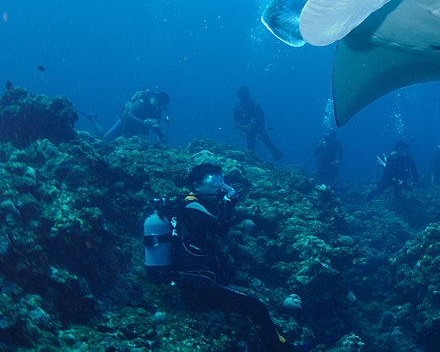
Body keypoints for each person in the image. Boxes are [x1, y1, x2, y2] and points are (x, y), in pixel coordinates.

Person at [174, 163, 299, 351]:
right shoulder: (192, 205)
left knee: (247, 300)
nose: (219, 185)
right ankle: (280, 348)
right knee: (256, 307)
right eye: (213, 180)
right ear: (197, 185)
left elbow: (223, 223)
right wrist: (228, 201)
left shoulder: (202, 205)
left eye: (220, 179)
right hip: (196, 283)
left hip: (200, 277)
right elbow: (221, 228)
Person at [233, 86, 283, 161]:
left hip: (258, 128)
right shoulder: (238, 107)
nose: (243, 100)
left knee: (268, 142)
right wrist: (243, 127)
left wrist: (252, 125)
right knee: (251, 148)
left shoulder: (255, 105)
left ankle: (276, 154)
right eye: (241, 98)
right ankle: (253, 161)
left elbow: (261, 118)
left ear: (248, 96)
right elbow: (235, 122)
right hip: (248, 129)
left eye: (245, 97)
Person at [103, 89, 169, 142]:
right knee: (105, 140)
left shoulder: (157, 110)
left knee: (124, 144)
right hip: (124, 123)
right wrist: (142, 123)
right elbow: (128, 116)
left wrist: (161, 135)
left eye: (162, 107)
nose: (159, 108)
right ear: (156, 99)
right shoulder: (141, 103)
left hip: (135, 129)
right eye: (159, 105)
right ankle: (93, 120)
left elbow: (157, 127)